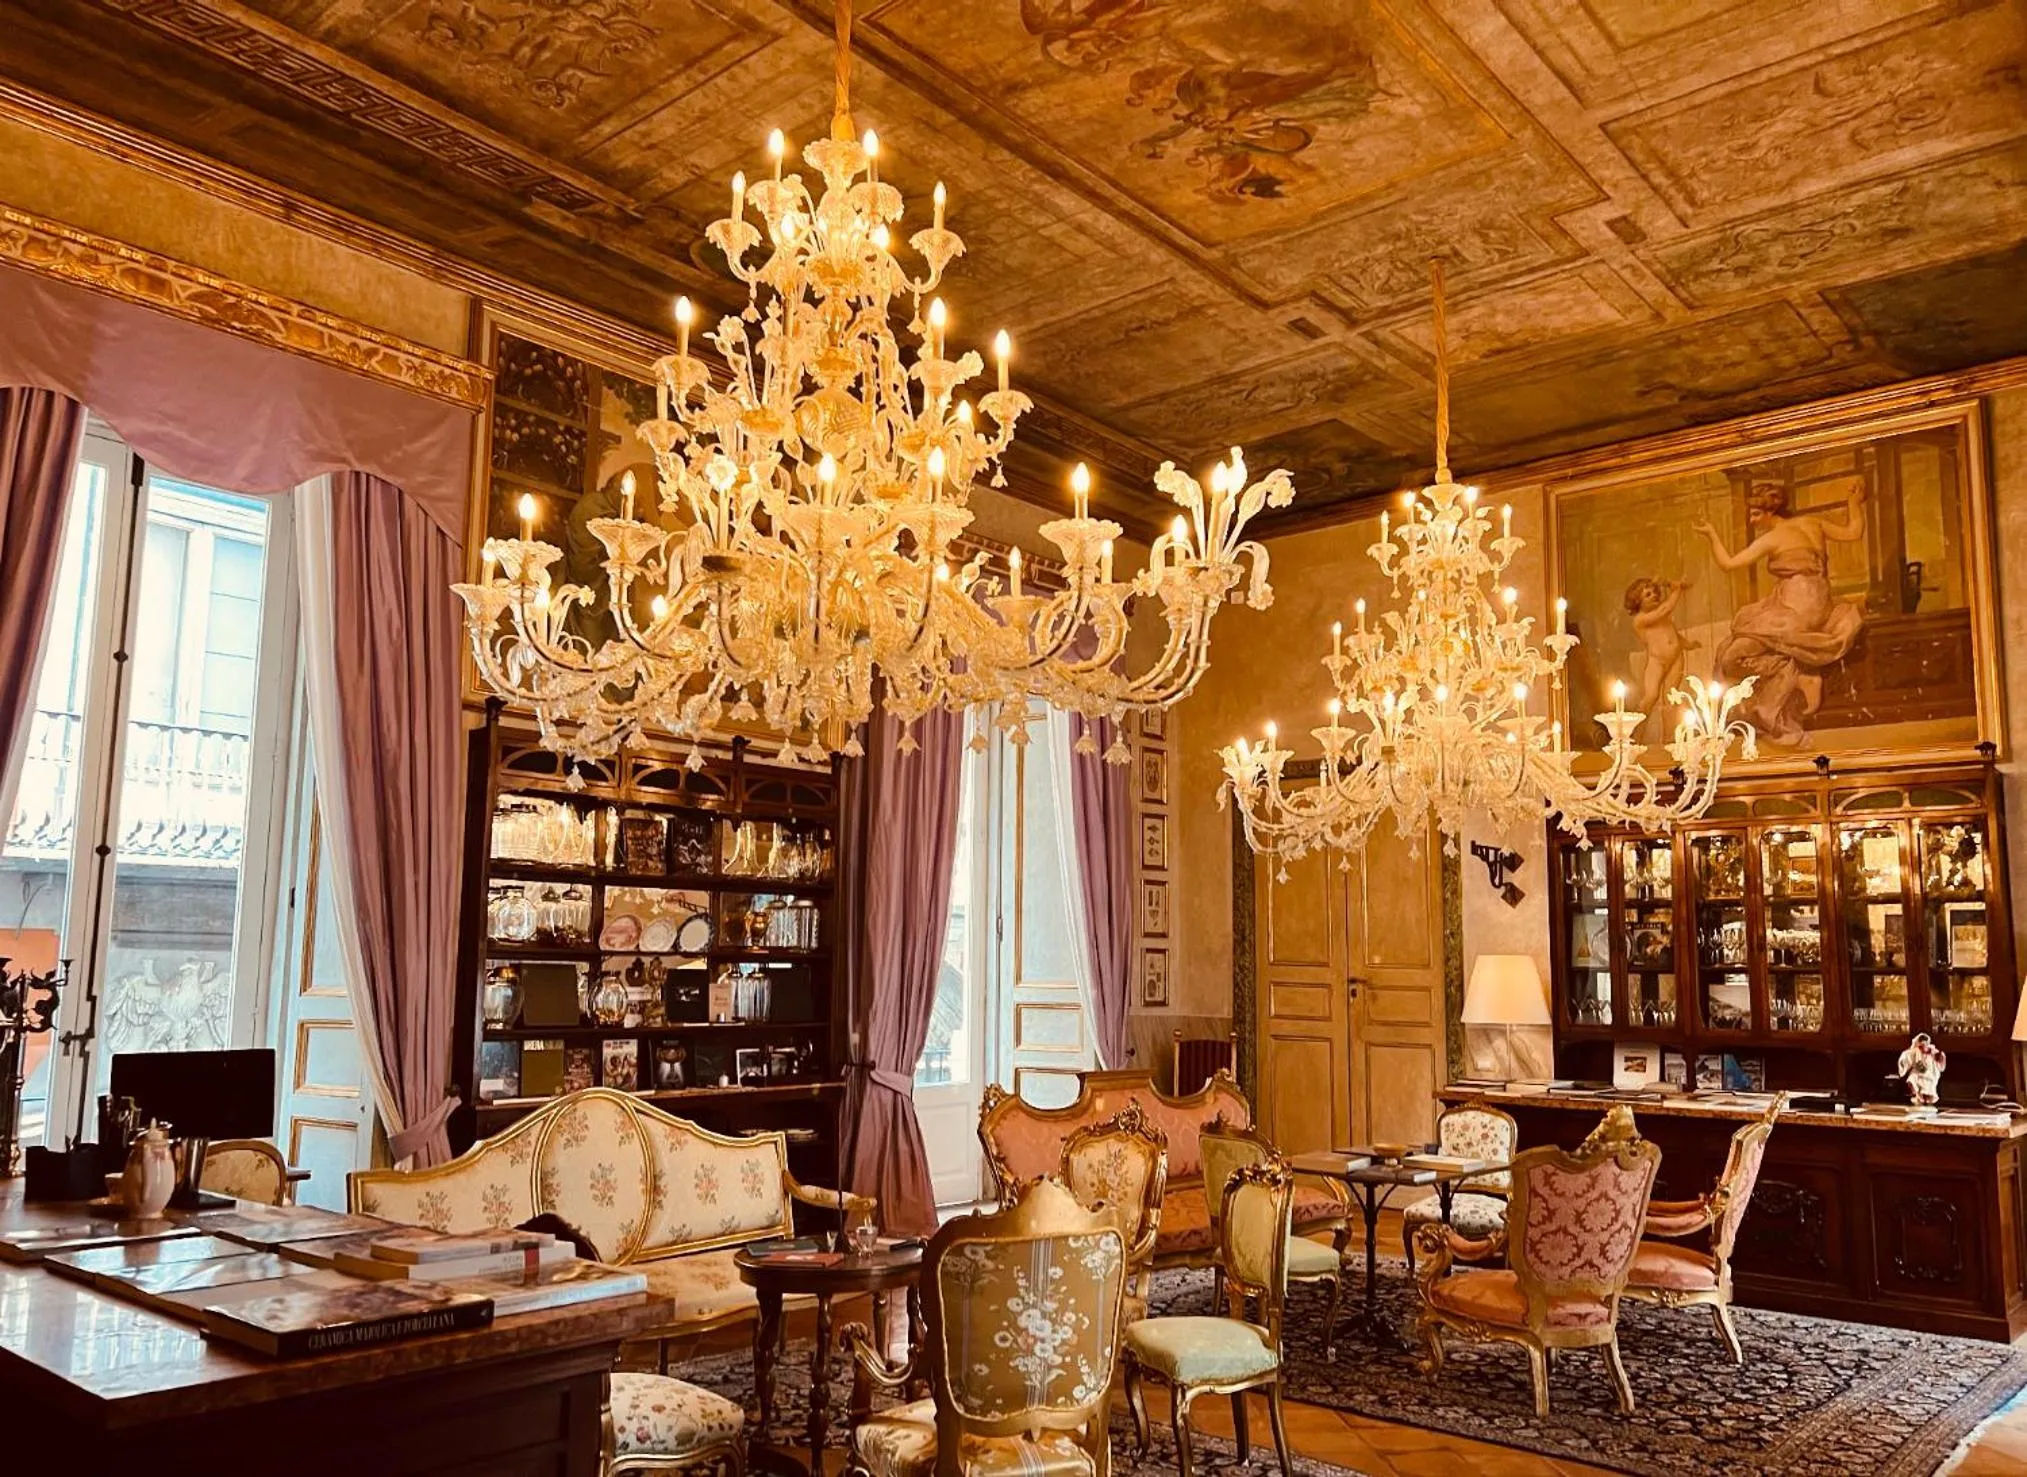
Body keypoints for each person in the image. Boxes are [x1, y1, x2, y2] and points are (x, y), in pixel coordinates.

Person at [1693, 473, 1867, 746]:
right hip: (1817, 604)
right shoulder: (1813, 523)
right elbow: (1854, 531)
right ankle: (1796, 674)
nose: (1752, 521)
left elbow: (1728, 563)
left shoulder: (1772, 539)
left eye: (1754, 514)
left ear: (1769, 511)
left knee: (1729, 657)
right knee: (1734, 644)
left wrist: (1711, 534)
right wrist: (1854, 502)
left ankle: (1795, 677)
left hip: (1795, 613)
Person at [1622, 577, 1696, 739]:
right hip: (1657, 662)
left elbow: (1672, 634)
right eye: (1647, 595)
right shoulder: (1640, 620)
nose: (1654, 596)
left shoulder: (1661, 616)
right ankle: (1635, 736)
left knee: (1672, 697)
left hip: (1676, 658)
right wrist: (1677, 590)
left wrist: (1687, 644)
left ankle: (1669, 738)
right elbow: (1665, 610)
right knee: (1651, 696)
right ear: (1637, 602)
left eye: (1654, 592)